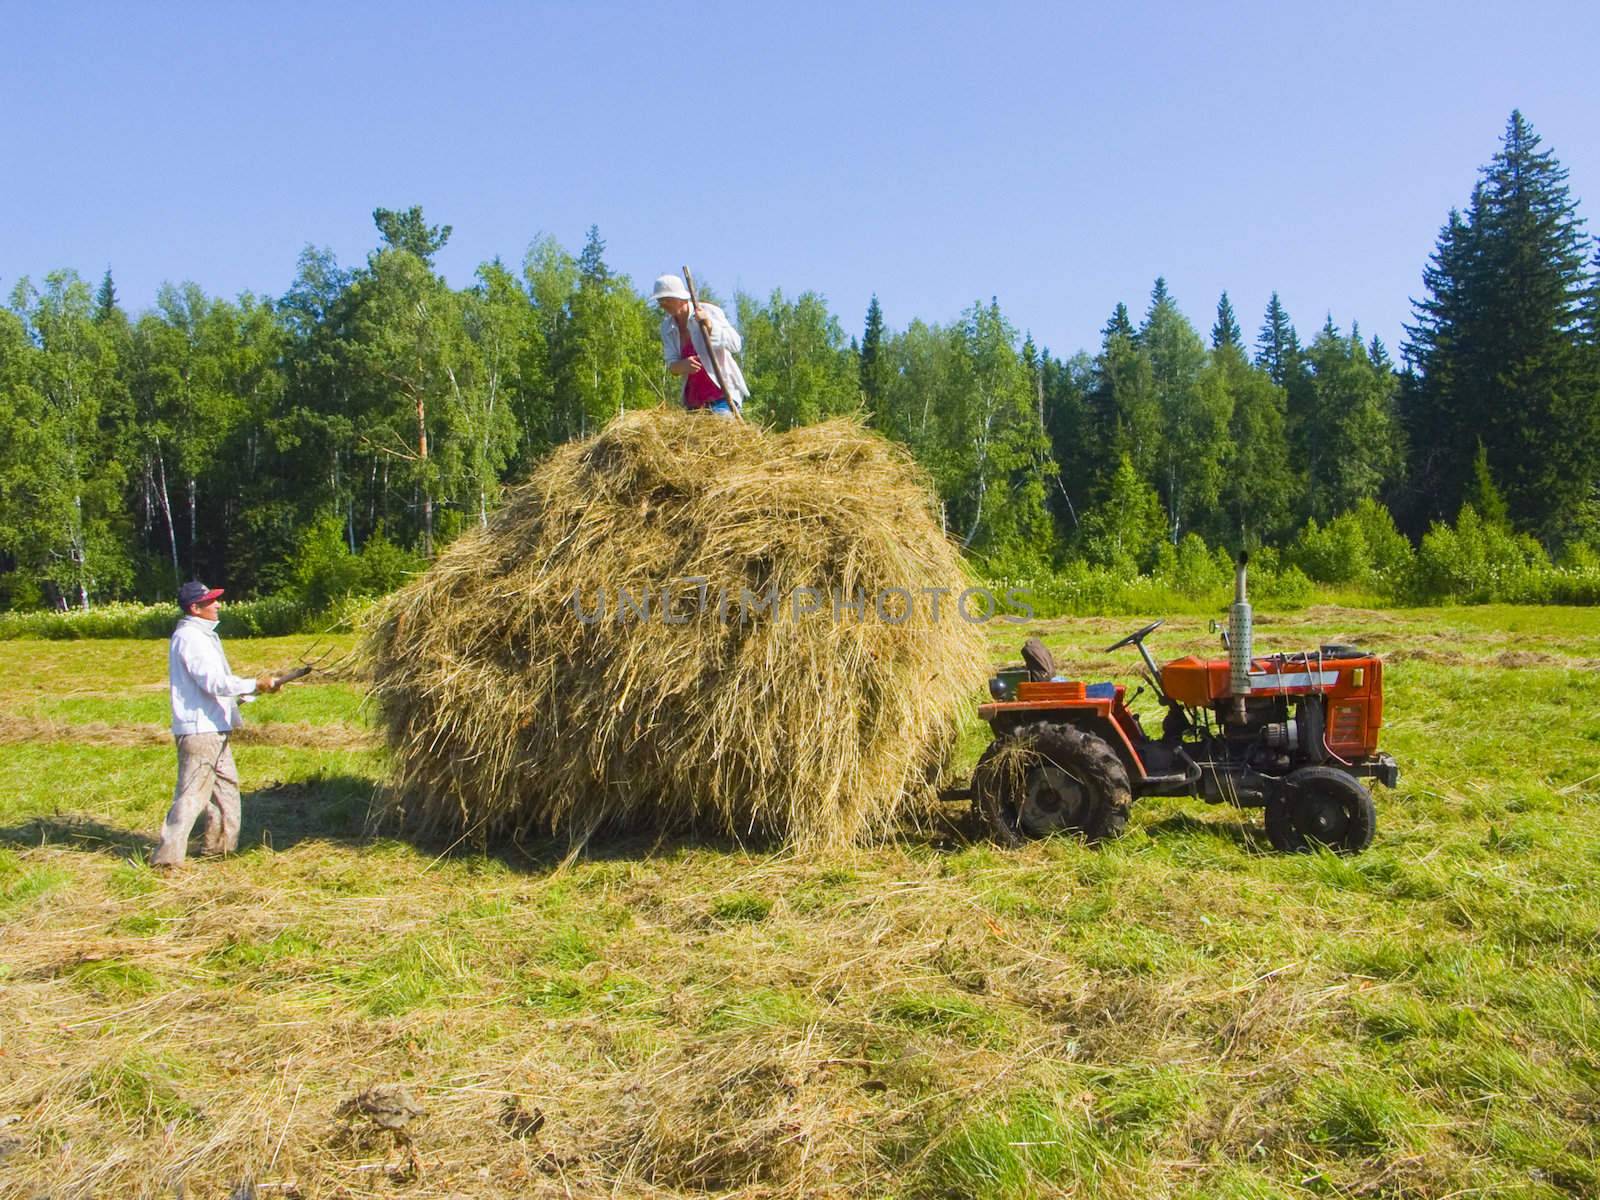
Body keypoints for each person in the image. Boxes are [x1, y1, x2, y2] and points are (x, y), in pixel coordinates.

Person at [150, 581, 280, 867]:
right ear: (195, 608)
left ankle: (219, 850)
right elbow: (213, 682)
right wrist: (254, 682)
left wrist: (255, 690)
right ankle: (166, 860)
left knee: (226, 790)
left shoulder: (204, 636)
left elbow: (217, 688)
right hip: (200, 731)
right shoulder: (190, 638)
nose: (218, 604)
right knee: (191, 795)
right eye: (211, 601)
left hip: (215, 728)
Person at [651, 274, 748, 418]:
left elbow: (736, 344)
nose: (662, 305)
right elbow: (672, 365)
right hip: (694, 402)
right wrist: (683, 365)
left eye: (666, 299)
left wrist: (710, 326)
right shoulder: (667, 327)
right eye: (660, 300)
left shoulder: (708, 312)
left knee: (720, 428)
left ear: (679, 298)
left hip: (722, 395)